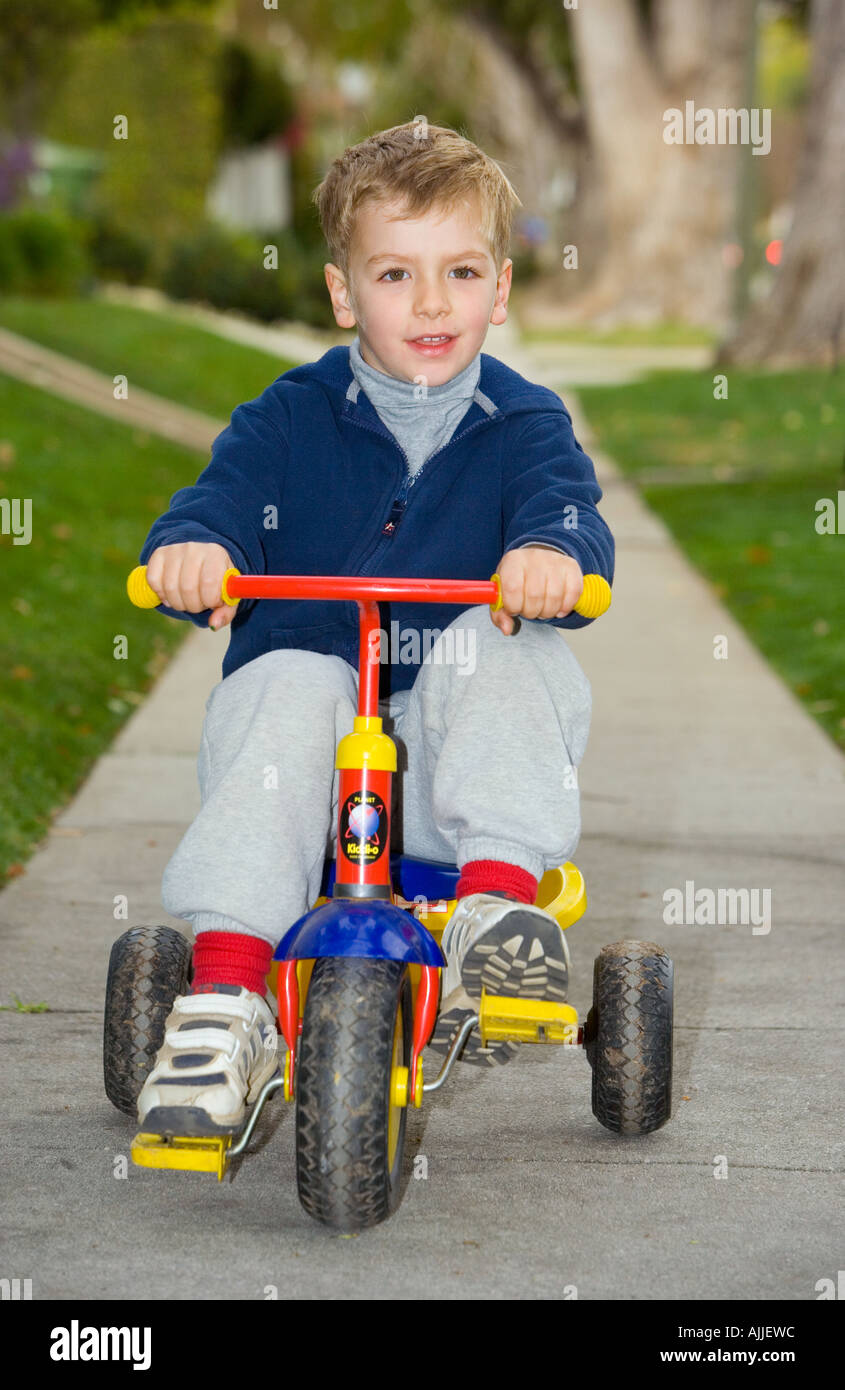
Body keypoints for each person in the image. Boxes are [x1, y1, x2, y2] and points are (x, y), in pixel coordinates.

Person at [133, 120, 614, 1137]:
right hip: (301, 789)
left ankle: (493, 916)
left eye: (460, 271)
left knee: (498, 640)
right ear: (344, 293)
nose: (432, 303)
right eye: (395, 274)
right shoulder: (287, 416)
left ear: (500, 289)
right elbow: (217, 501)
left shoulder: (522, 424)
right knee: (291, 674)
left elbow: (566, 511)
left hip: (450, 790)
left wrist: (550, 559)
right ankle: (221, 997)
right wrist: (194, 550)